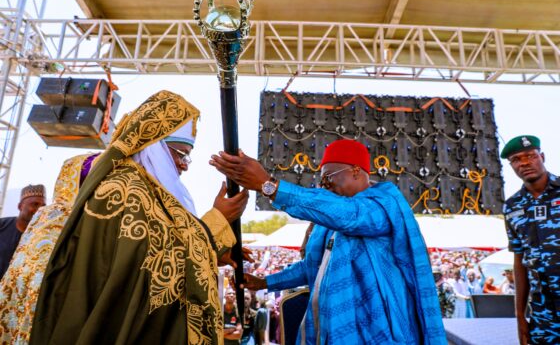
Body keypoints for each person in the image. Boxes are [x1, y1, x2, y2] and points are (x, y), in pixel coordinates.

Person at [29, 90, 248, 345]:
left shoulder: (150, 190)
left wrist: (213, 245)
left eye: (188, 156)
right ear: (152, 144)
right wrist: (215, 224)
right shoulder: (123, 188)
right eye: (179, 153)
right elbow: (148, 269)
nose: (185, 164)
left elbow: (160, 248)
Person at [210, 139, 446, 344]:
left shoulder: (382, 206)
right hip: (332, 327)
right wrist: (264, 282)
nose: (325, 186)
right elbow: (313, 267)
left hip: (378, 329)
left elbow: (350, 216)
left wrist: (269, 185)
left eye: (328, 178)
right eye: (322, 182)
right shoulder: (328, 224)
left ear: (355, 170)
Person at [0, 153, 98, 344]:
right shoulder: (4, 225)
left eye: (42, 204)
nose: (38, 209)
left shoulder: (51, 225)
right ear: (20, 205)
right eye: (33, 204)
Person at [501, 135, 560, 344]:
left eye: (530, 156)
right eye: (516, 159)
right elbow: (520, 261)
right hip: (544, 317)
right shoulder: (512, 206)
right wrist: (520, 316)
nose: (524, 163)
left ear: (542, 156)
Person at [0, 184, 45, 279]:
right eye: (35, 204)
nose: (40, 210)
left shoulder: (43, 237)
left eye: (43, 206)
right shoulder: (2, 225)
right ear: (20, 206)